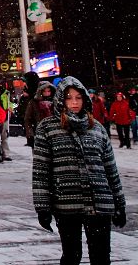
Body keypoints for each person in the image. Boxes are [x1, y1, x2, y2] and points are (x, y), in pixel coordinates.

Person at [33, 76, 127, 265]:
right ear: (61, 100)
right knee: (71, 255)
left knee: (101, 256)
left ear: (85, 99)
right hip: (66, 203)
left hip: (100, 203)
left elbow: (110, 169)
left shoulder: (97, 128)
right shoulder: (48, 127)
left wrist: (119, 203)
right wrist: (42, 206)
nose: (74, 103)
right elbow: (41, 171)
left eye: (78, 97)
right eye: (69, 98)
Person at [23, 81, 55, 149]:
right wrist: (30, 134)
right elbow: (27, 119)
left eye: (48, 91)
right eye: (44, 91)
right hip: (38, 133)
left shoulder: (55, 103)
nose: (47, 93)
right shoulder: (34, 103)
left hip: (53, 133)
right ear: (40, 92)